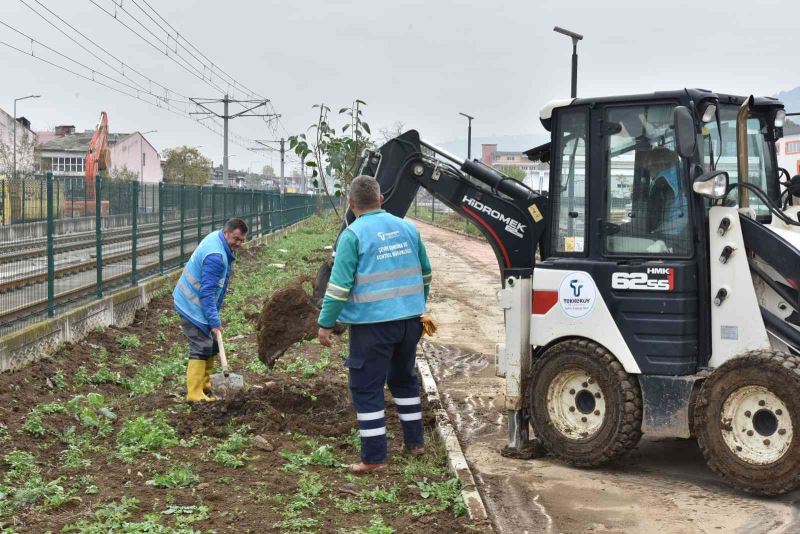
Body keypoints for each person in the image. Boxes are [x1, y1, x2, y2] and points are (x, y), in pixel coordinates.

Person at [318, 175, 433, 473]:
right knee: (404, 379)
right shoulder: (408, 228)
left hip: (373, 328)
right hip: (411, 323)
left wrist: (325, 324)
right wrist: (416, 304)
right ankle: (415, 443)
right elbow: (426, 274)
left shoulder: (353, 235)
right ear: (381, 199)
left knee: (366, 387)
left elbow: (339, 287)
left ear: (351, 203)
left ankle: (374, 459)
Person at [173, 218, 248, 402]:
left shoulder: (217, 238)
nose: (238, 243)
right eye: (235, 239)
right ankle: (194, 394)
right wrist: (214, 321)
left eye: (241, 240)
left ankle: (205, 386)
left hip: (197, 303)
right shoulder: (216, 256)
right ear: (226, 233)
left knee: (212, 345)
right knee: (201, 346)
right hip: (192, 305)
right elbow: (206, 293)